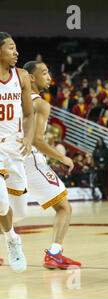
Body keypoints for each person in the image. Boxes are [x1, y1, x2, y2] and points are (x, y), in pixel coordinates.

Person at [19, 60, 81, 269]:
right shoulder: (40, 103)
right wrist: (63, 157)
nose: (49, 77)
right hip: (30, 160)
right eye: (44, 73)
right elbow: (37, 140)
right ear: (32, 78)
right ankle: (55, 253)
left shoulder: (11, 99)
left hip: (9, 158)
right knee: (64, 207)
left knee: (7, 211)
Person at [0, 32, 35, 271]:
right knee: (1, 203)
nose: (16, 52)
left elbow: (30, 114)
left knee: (19, 209)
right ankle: (12, 240)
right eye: (11, 48)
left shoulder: (22, 76)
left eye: (16, 48)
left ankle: (9, 229)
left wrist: (30, 138)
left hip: (16, 147)